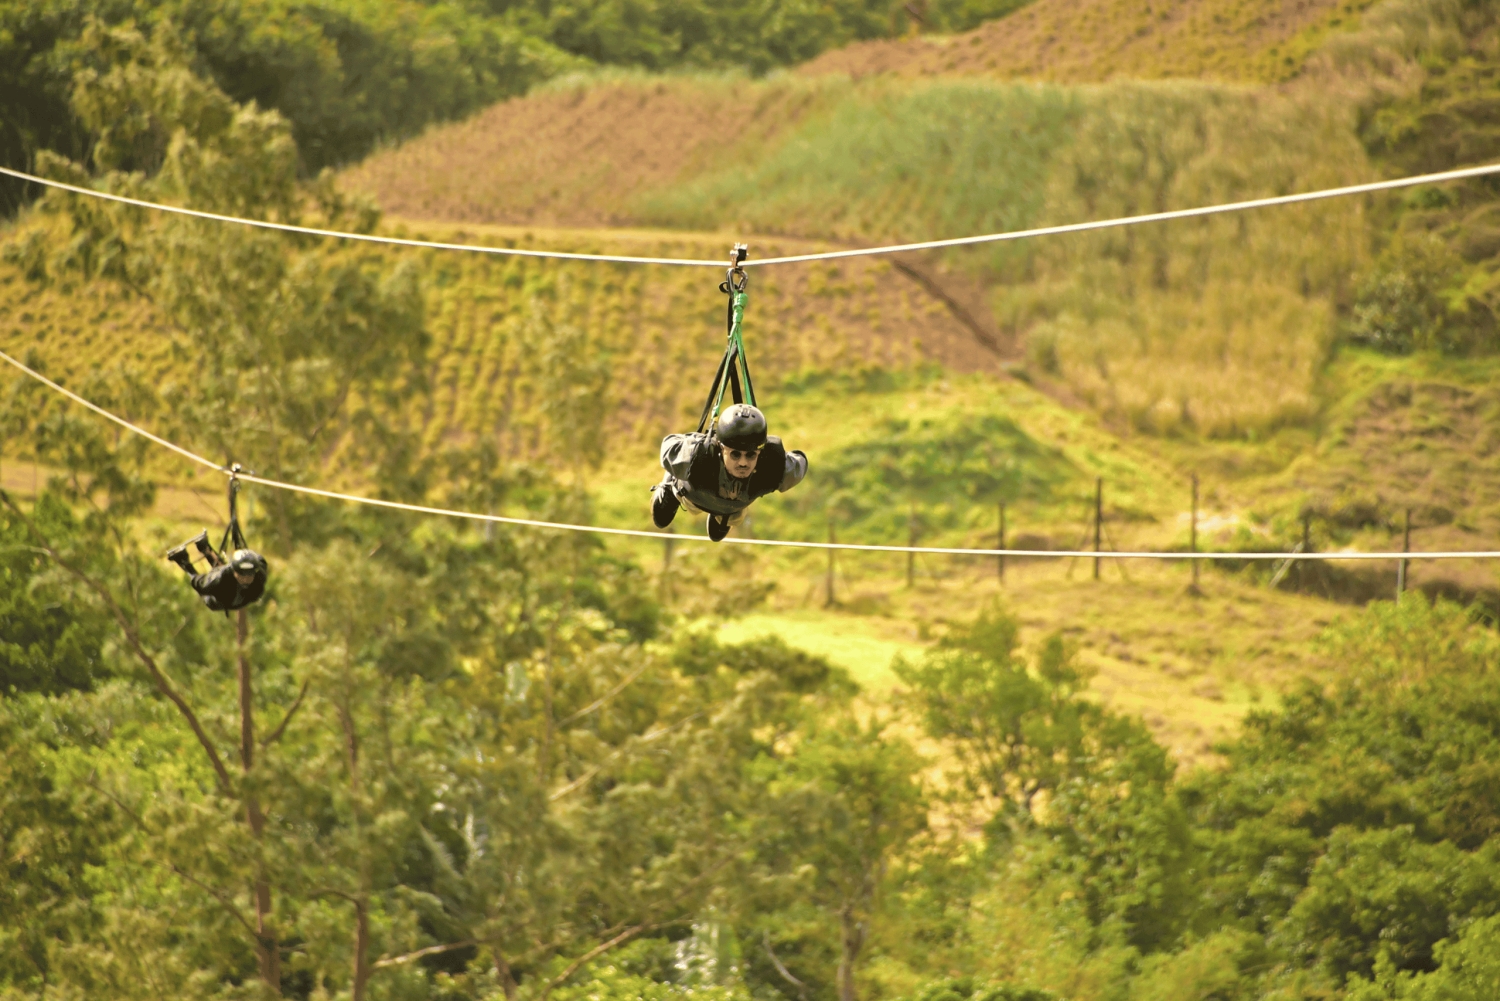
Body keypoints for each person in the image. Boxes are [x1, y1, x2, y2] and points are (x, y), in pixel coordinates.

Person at [651, 403, 808, 541]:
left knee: (718, 534)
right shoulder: (695, 458)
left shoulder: (774, 468)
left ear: (760, 453)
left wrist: (781, 458)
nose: (743, 462)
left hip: (731, 509)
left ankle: (723, 517)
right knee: (661, 520)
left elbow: (800, 463)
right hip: (689, 493)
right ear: (721, 448)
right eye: (735, 454)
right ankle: (669, 487)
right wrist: (695, 442)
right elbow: (668, 446)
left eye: (751, 455)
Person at [166, 530, 269, 613]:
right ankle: (202, 550)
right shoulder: (221, 577)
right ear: (234, 571)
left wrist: (191, 572)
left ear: (255, 572)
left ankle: (182, 559)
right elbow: (200, 584)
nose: (245, 579)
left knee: (218, 584)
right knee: (218, 576)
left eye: (249, 575)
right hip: (220, 589)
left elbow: (200, 585)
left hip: (225, 601)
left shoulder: (259, 572)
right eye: (242, 575)